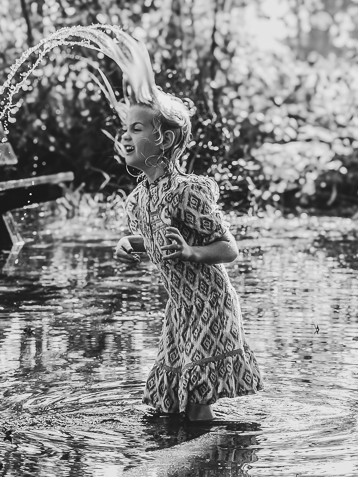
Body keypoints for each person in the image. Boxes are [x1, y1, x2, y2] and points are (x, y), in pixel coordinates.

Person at [91, 28, 263, 422]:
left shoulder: (187, 191)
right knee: (172, 401)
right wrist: (130, 242)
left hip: (209, 303)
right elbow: (156, 238)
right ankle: (184, 455)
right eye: (125, 130)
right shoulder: (140, 199)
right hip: (180, 307)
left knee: (197, 396)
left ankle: (204, 457)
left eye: (137, 129)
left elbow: (228, 248)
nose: (126, 136)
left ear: (164, 139)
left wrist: (191, 252)